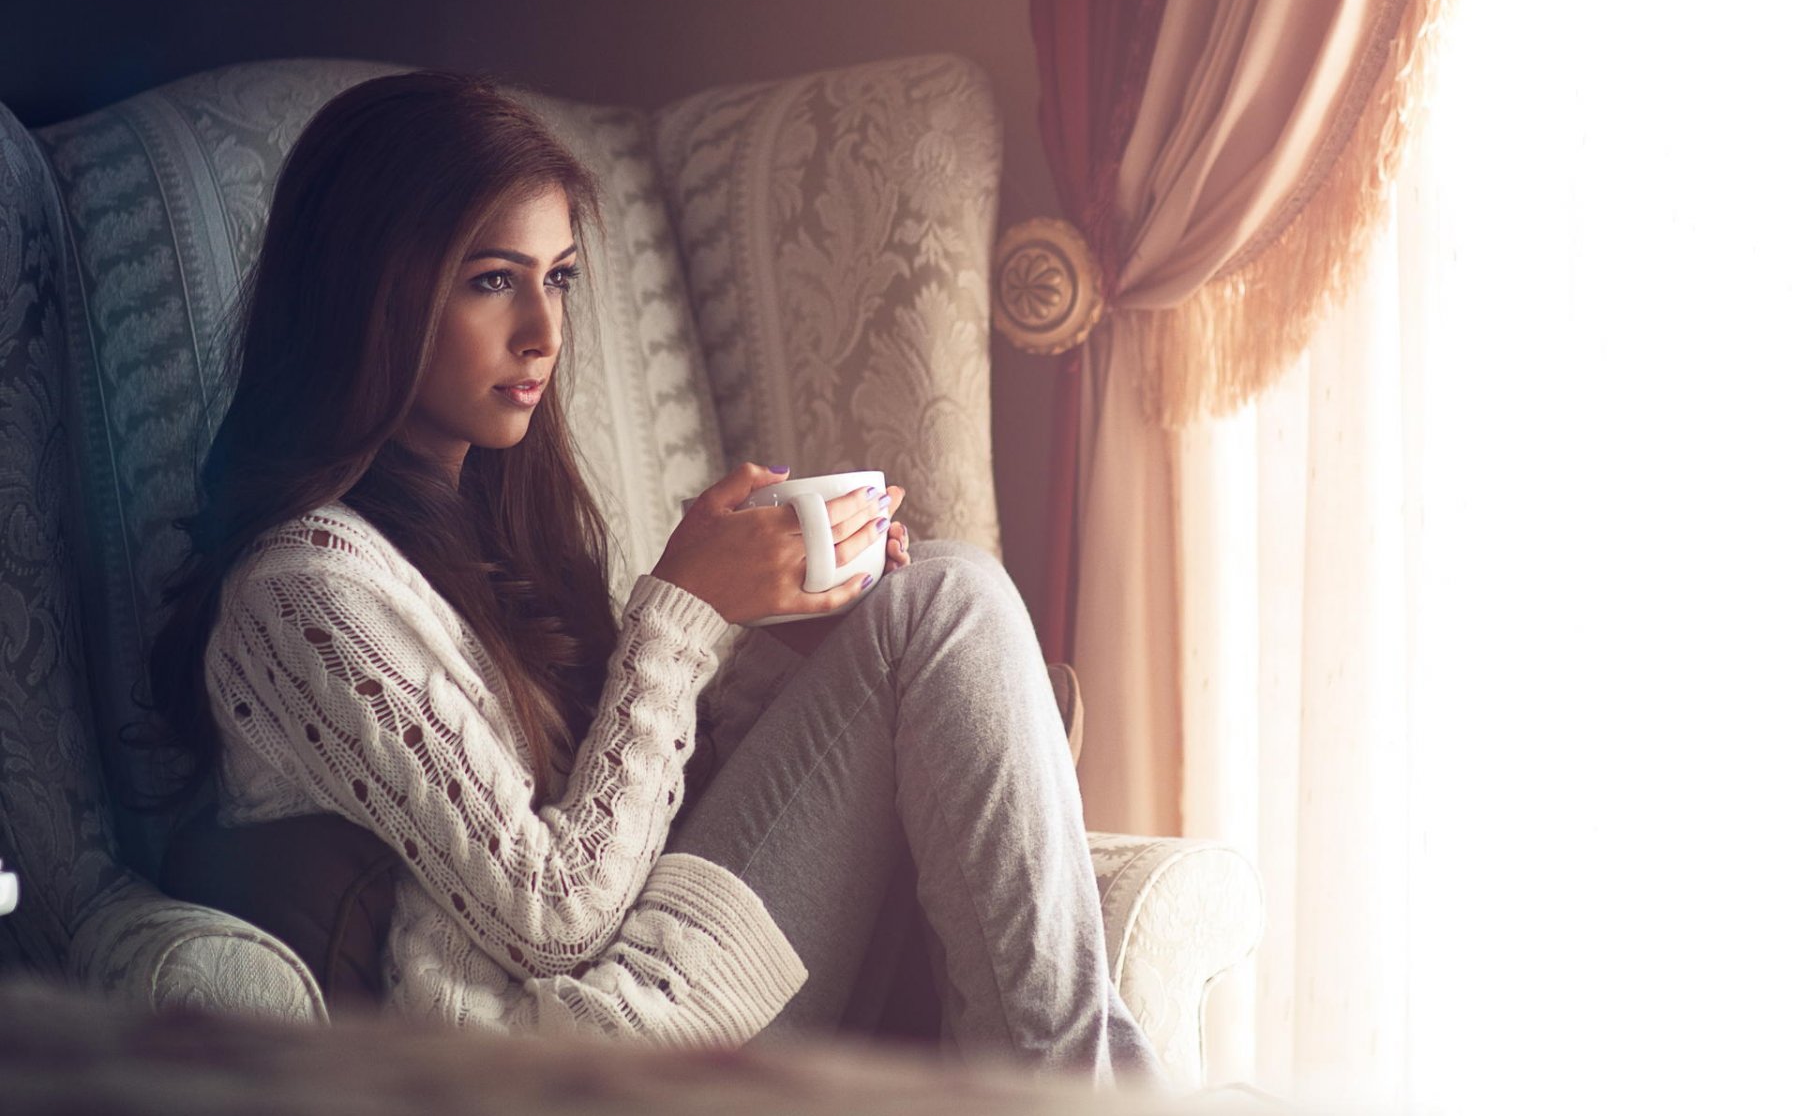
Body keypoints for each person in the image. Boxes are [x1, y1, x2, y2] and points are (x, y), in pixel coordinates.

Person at [137, 70, 1162, 1086]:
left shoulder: (482, 532)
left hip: (640, 979)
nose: (542, 331)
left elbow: (618, 811)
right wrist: (682, 617)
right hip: (563, 1051)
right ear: (372, 290)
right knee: (946, 601)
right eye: (492, 278)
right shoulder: (302, 597)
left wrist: (770, 648)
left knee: (919, 596)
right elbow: (551, 916)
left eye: (559, 277)